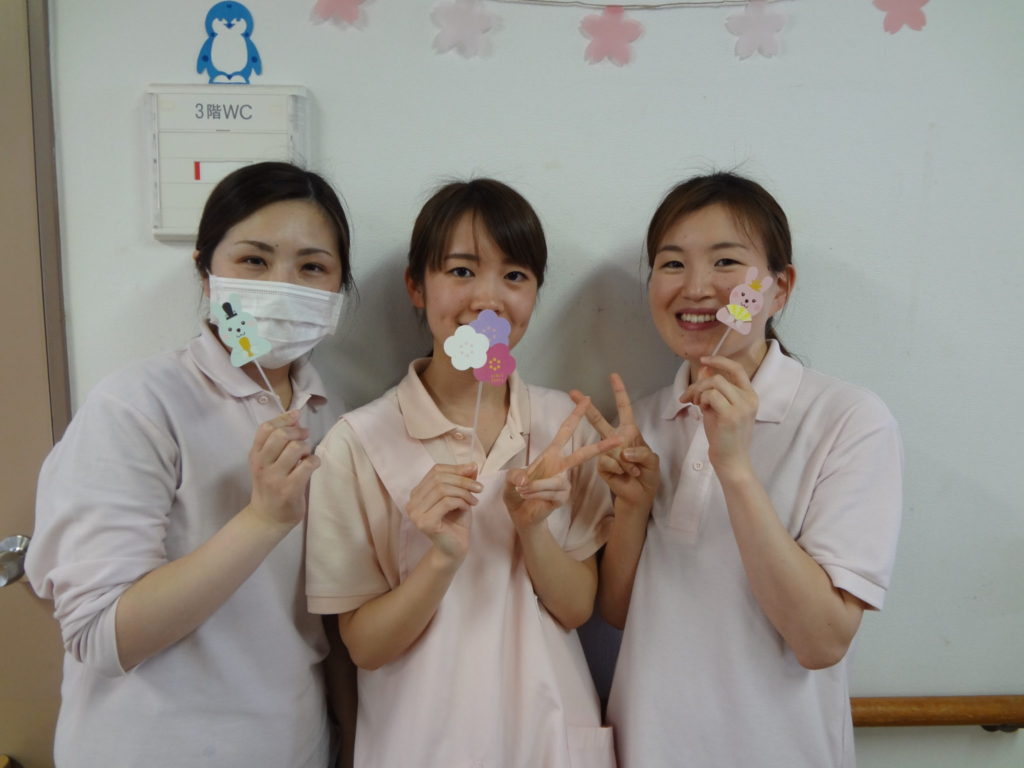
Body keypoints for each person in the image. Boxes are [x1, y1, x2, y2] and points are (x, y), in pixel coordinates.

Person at [26, 161, 354, 767]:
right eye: (253, 260)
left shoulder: (338, 418)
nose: (282, 285)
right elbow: (101, 636)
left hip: (292, 745)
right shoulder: (138, 405)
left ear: (338, 289)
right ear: (206, 272)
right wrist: (262, 520)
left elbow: (332, 620)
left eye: (312, 267)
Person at [576, 172, 903, 767]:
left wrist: (735, 467)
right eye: (672, 264)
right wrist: (635, 507)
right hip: (649, 746)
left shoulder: (848, 420)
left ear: (779, 289)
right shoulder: (639, 422)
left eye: (725, 261)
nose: (696, 287)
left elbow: (822, 641)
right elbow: (622, 613)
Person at [306, 178, 619, 767]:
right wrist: (441, 559)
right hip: (421, 741)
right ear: (416, 286)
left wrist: (532, 529)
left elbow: (577, 608)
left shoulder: (564, 426)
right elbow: (363, 647)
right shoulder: (357, 443)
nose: (488, 298)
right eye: (461, 271)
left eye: (515, 275)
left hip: (548, 735)